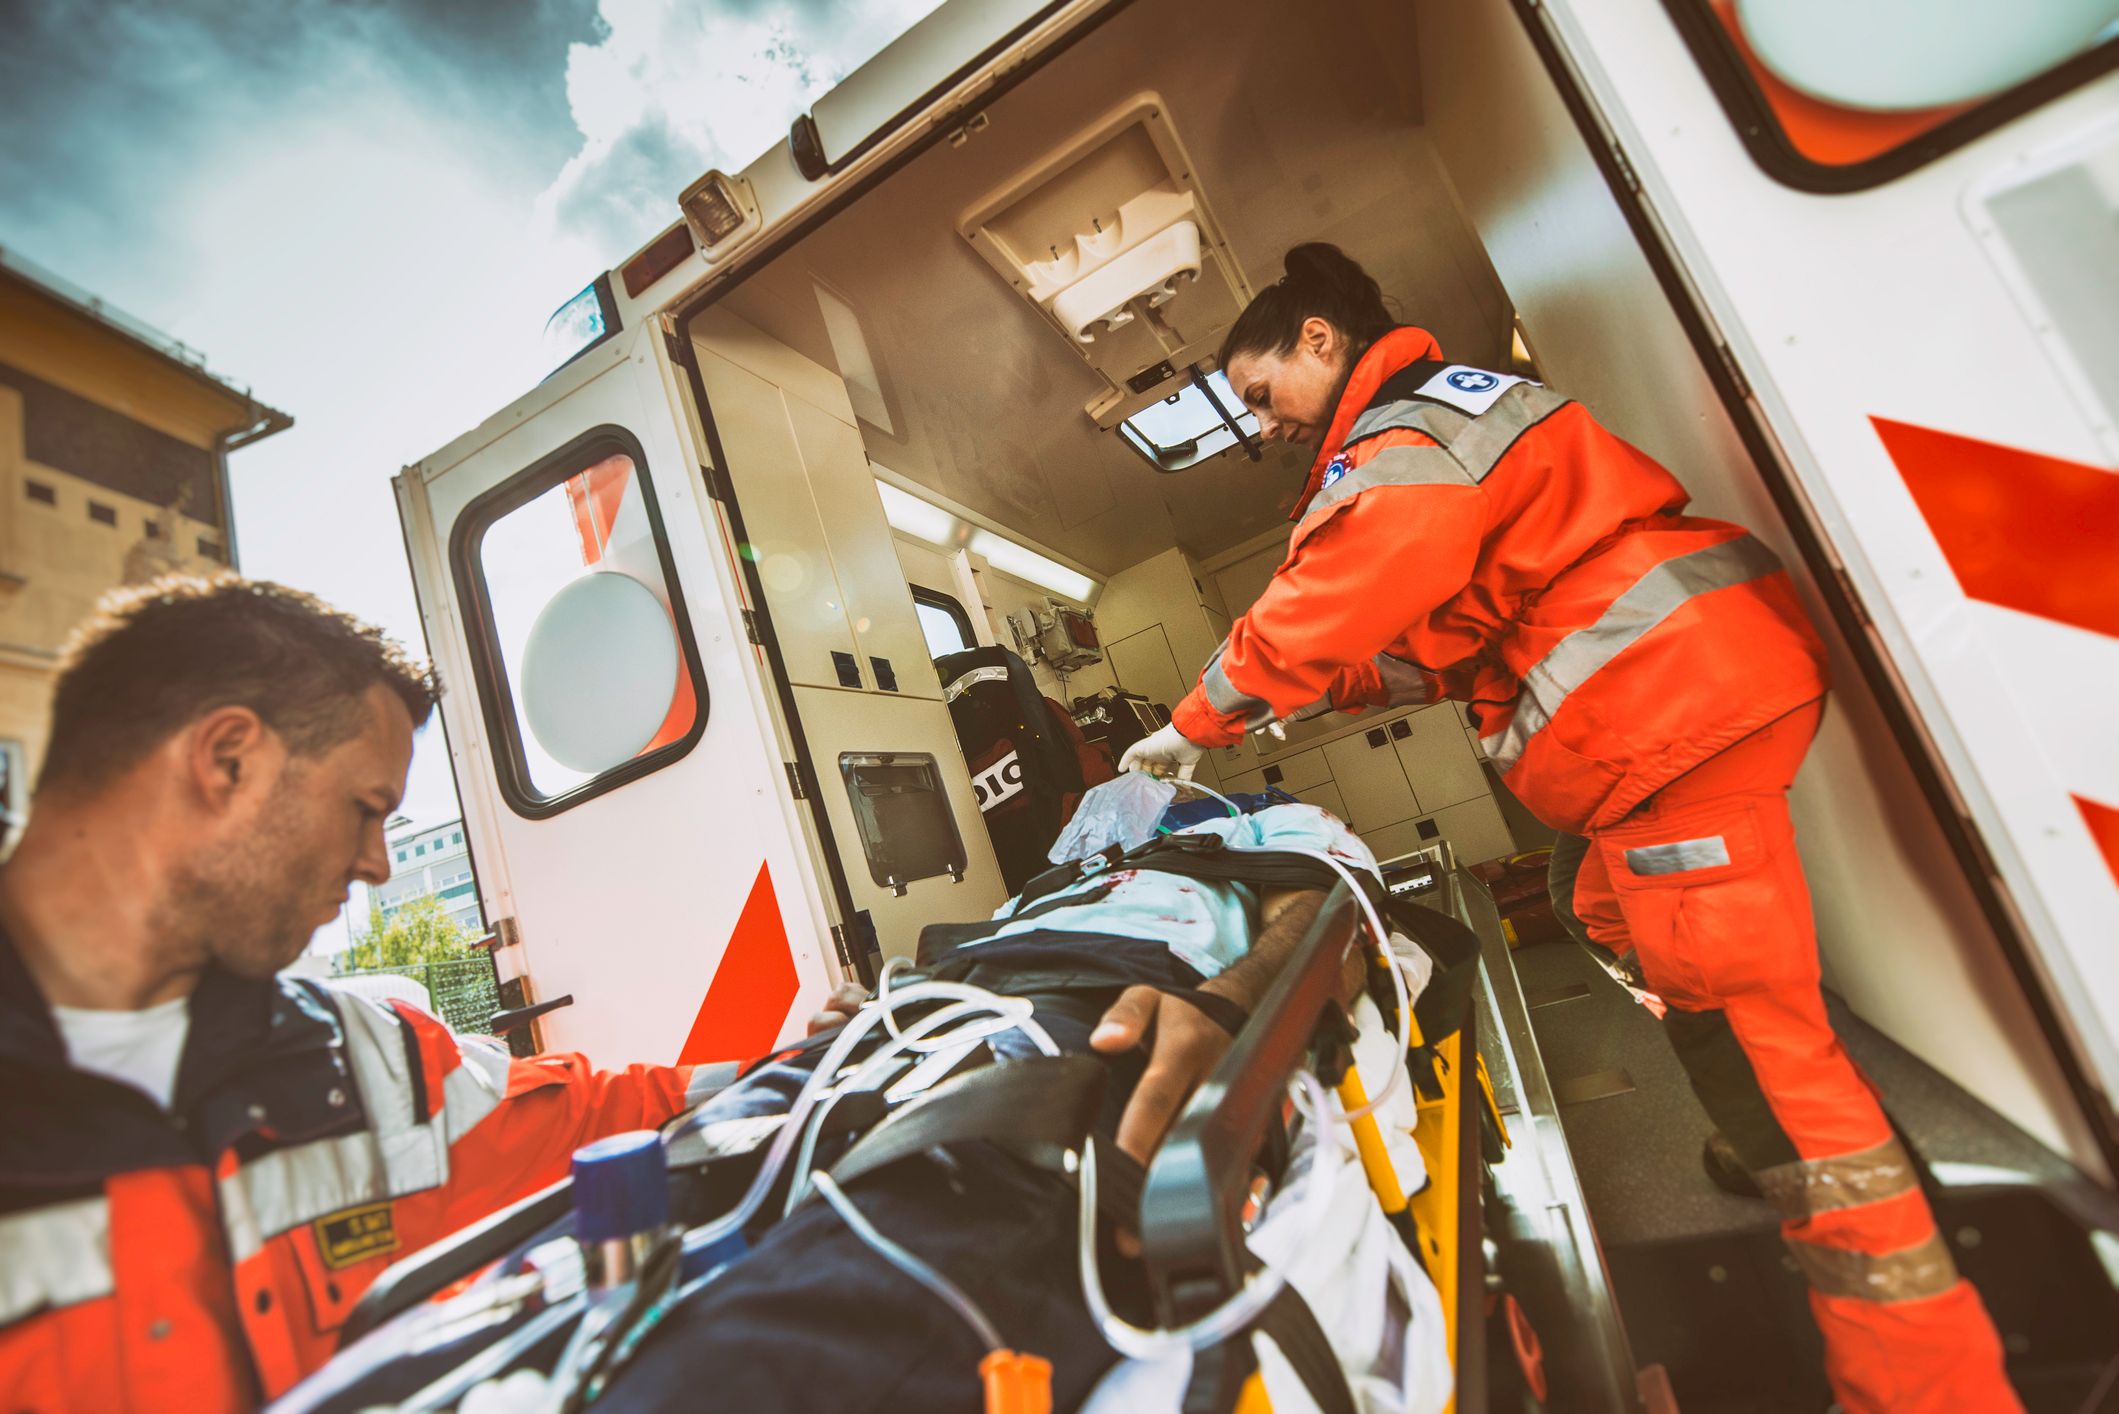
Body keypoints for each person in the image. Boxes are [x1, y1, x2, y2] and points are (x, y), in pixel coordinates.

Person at [1119, 243, 2017, 1413]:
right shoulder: (1446, 415)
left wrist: (1201, 718)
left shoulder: (1398, 445)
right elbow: (1432, 637)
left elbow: (1371, 566)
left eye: (1258, 393)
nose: (1261, 425)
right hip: (1681, 693)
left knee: (1772, 1057)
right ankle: (1742, 1091)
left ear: (1318, 343)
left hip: (1664, 719)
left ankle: (1918, 1376)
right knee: (1588, 894)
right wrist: (1307, 691)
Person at [0, 575, 724, 1410]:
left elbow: (595, 1119)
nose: (378, 863)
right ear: (227, 760)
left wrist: (805, 1061)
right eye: (365, 807)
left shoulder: (377, 1060)